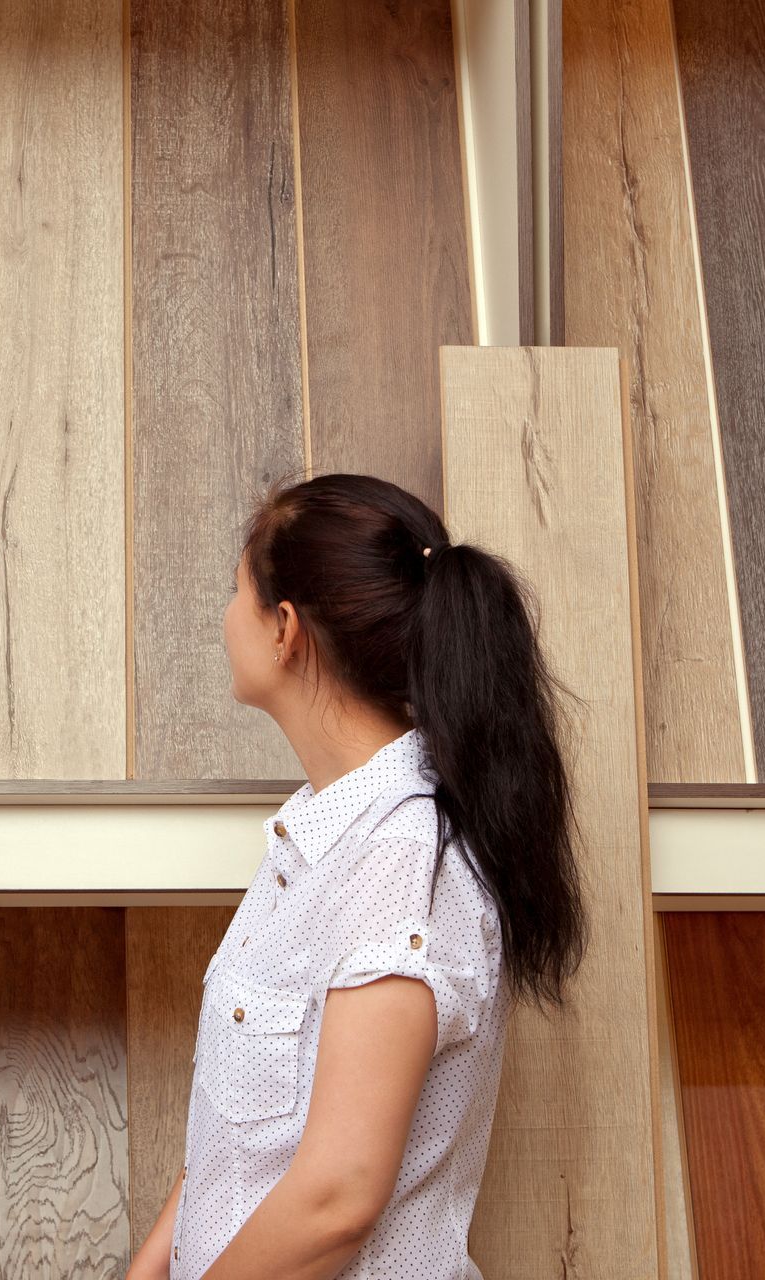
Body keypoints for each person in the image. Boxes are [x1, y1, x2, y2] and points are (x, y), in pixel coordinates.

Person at [127, 474, 585, 1280]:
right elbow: (238, 1137)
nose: (224, 618)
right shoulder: (315, 843)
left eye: (236, 593)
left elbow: (339, 1196)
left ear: (285, 630)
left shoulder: (399, 863)